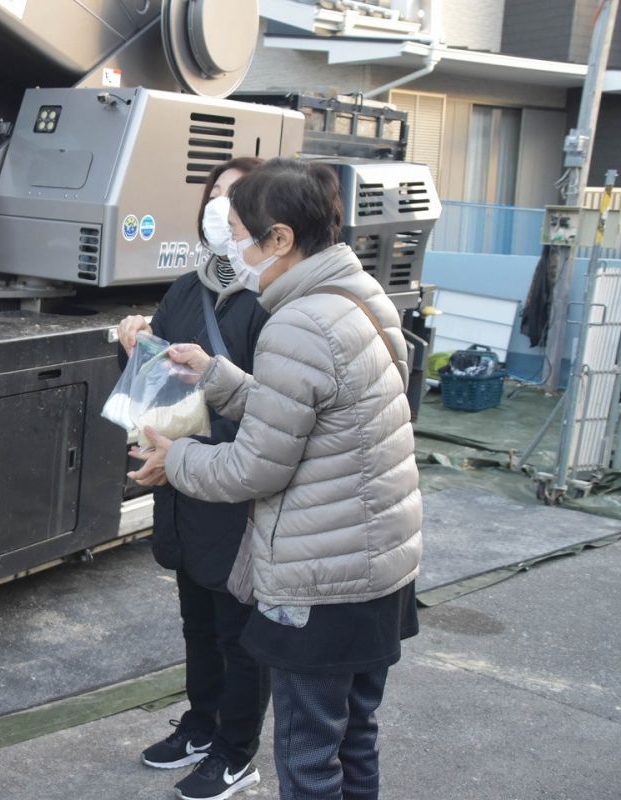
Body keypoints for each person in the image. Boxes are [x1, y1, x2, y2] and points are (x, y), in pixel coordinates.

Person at [129, 158, 422, 800]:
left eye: (238, 231)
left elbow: (254, 464)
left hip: (322, 577)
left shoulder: (299, 321)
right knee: (353, 740)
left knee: (309, 757)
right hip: (374, 565)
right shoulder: (355, 297)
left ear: (281, 238)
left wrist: (172, 460)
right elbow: (306, 410)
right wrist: (213, 374)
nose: (231, 245)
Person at [117, 157, 271, 800]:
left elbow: (276, 410)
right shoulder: (189, 287)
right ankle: (202, 724)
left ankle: (237, 751)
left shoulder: (271, 298)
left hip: (235, 484)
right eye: (213, 194)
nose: (219, 207)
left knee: (238, 631)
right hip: (181, 480)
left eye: (233, 198)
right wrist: (138, 348)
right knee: (198, 620)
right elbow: (163, 382)